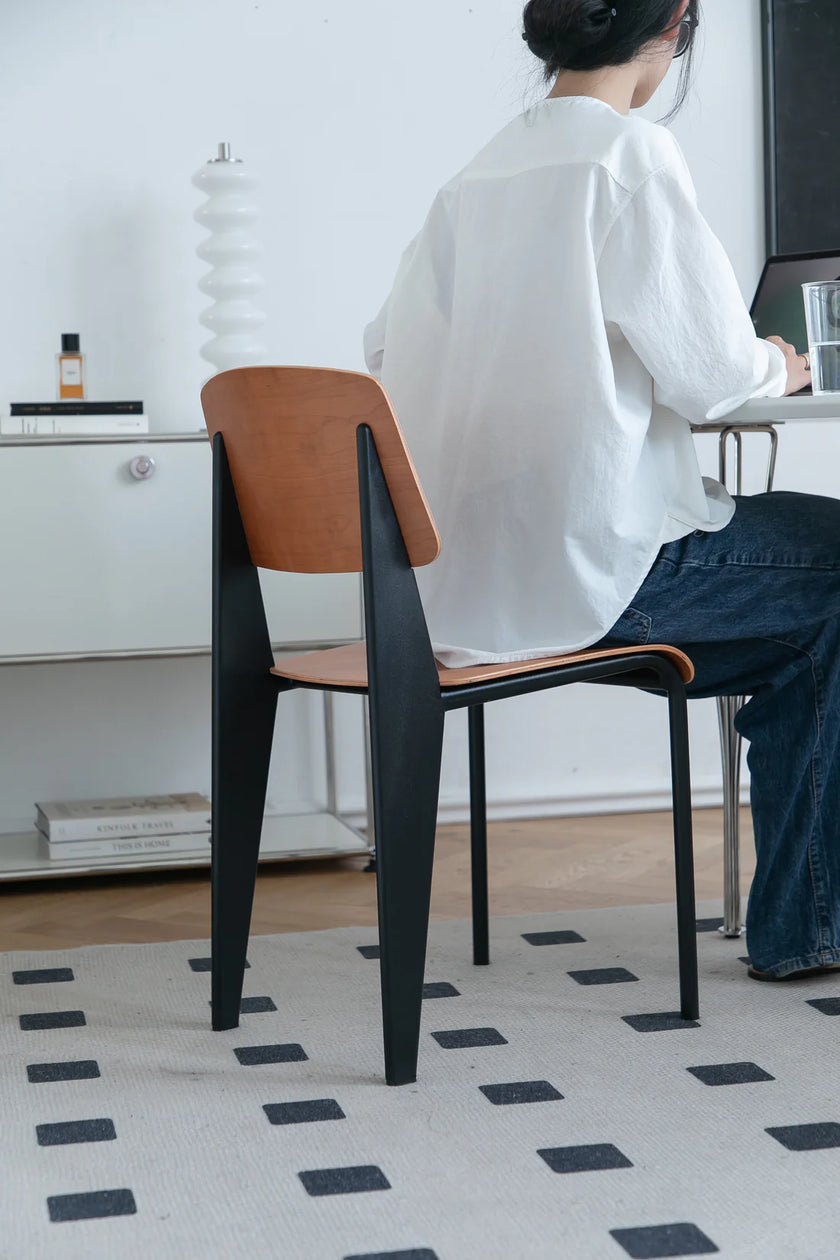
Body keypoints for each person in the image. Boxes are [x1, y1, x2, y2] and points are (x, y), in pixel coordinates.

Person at [363, 0, 840, 982]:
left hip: (462, 585)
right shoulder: (630, 157)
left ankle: (809, 916)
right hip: (607, 580)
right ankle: (806, 922)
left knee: (813, 608)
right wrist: (778, 368)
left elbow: (381, 351)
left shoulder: (473, 179)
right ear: (673, 27)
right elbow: (710, 374)